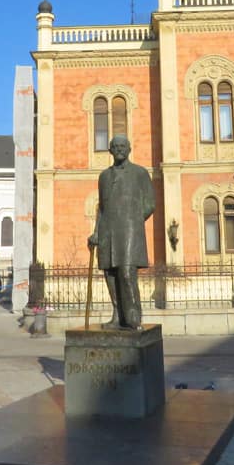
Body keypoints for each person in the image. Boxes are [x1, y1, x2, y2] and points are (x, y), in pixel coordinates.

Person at [87, 135, 155, 330]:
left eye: (122, 146)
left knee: (126, 274)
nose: (119, 149)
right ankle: (117, 316)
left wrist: (133, 219)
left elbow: (150, 203)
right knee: (110, 274)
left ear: (129, 149)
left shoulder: (140, 173)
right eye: (115, 146)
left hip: (129, 231)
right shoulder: (104, 176)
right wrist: (96, 233)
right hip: (108, 230)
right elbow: (102, 208)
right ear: (110, 150)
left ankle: (133, 317)